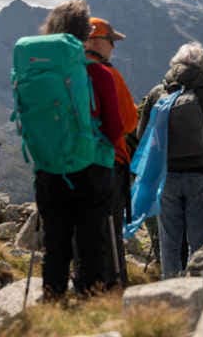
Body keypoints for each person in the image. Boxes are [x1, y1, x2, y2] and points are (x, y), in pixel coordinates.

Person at [35, 0, 123, 299]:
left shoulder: (38, 70)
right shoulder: (99, 74)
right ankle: (91, 306)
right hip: (91, 168)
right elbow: (114, 127)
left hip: (48, 165)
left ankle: (52, 301)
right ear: (84, 34)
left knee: (55, 243)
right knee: (91, 243)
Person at [137, 42, 203, 279]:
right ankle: (198, 287)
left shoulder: (158, 93)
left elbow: (141, 134)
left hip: (167, 173)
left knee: (170, 238)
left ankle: (170, 288)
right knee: (200, 238)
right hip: (202, 171)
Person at [84, 17, 137, 287]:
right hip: (108, 163)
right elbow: (129, 122)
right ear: (95, 40)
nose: (113, 48)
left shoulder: (67, 71)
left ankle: (85, 292)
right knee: (109, 233)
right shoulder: (109, 75)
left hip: (70, 164)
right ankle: (114, 293)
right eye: (110, 41)